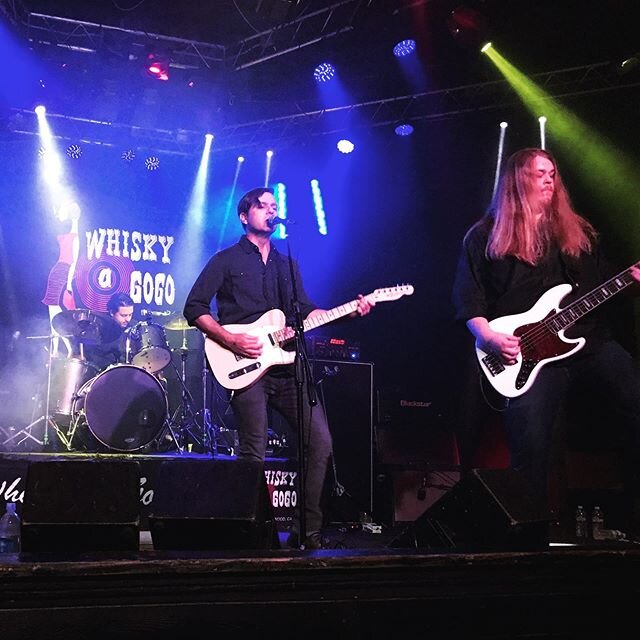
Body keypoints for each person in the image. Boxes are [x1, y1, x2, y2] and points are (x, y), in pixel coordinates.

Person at [452, 147, 640, 534]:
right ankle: (529, 539)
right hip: (528, 356)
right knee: (531, 445)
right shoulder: (485, 235)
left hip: (587, 342)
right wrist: (487, 336)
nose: (550, 179)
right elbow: (467, 297)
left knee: (635, 401)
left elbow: (603, 285)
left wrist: (630, 285)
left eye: (553, 172)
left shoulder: (577, 231)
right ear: (518, 179)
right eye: (540, 173)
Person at [183, 186, 374, 549]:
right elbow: (194, 308)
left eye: (275, 206)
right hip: (243, 365)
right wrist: (230, 339)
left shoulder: (289, 264)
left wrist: (349, 312)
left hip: (287, 366)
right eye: (263, 206)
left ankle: (309, 531)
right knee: (253, 450)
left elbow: (307, 312)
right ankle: (249, 531)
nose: (271, 211)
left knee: (320, 442)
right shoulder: (225, 260)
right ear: (245, 216)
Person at [83, 292, 135, 372]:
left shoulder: (134, 327)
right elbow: (92, 356)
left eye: (130, 315)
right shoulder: (99, 328)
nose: (128, 319)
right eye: (124, 315)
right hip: (103, 372)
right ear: (112, 313)